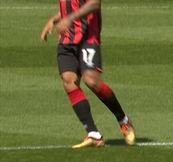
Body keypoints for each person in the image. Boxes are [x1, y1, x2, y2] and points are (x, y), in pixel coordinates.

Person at [41, 0, 136, 149]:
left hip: (88, 39)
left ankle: (123, 121)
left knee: (91, 81)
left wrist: (69, 19)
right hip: (67, 40)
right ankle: (93, 134)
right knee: (68, 81)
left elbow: (93, 4)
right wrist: (54, 19)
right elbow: (71, 6)